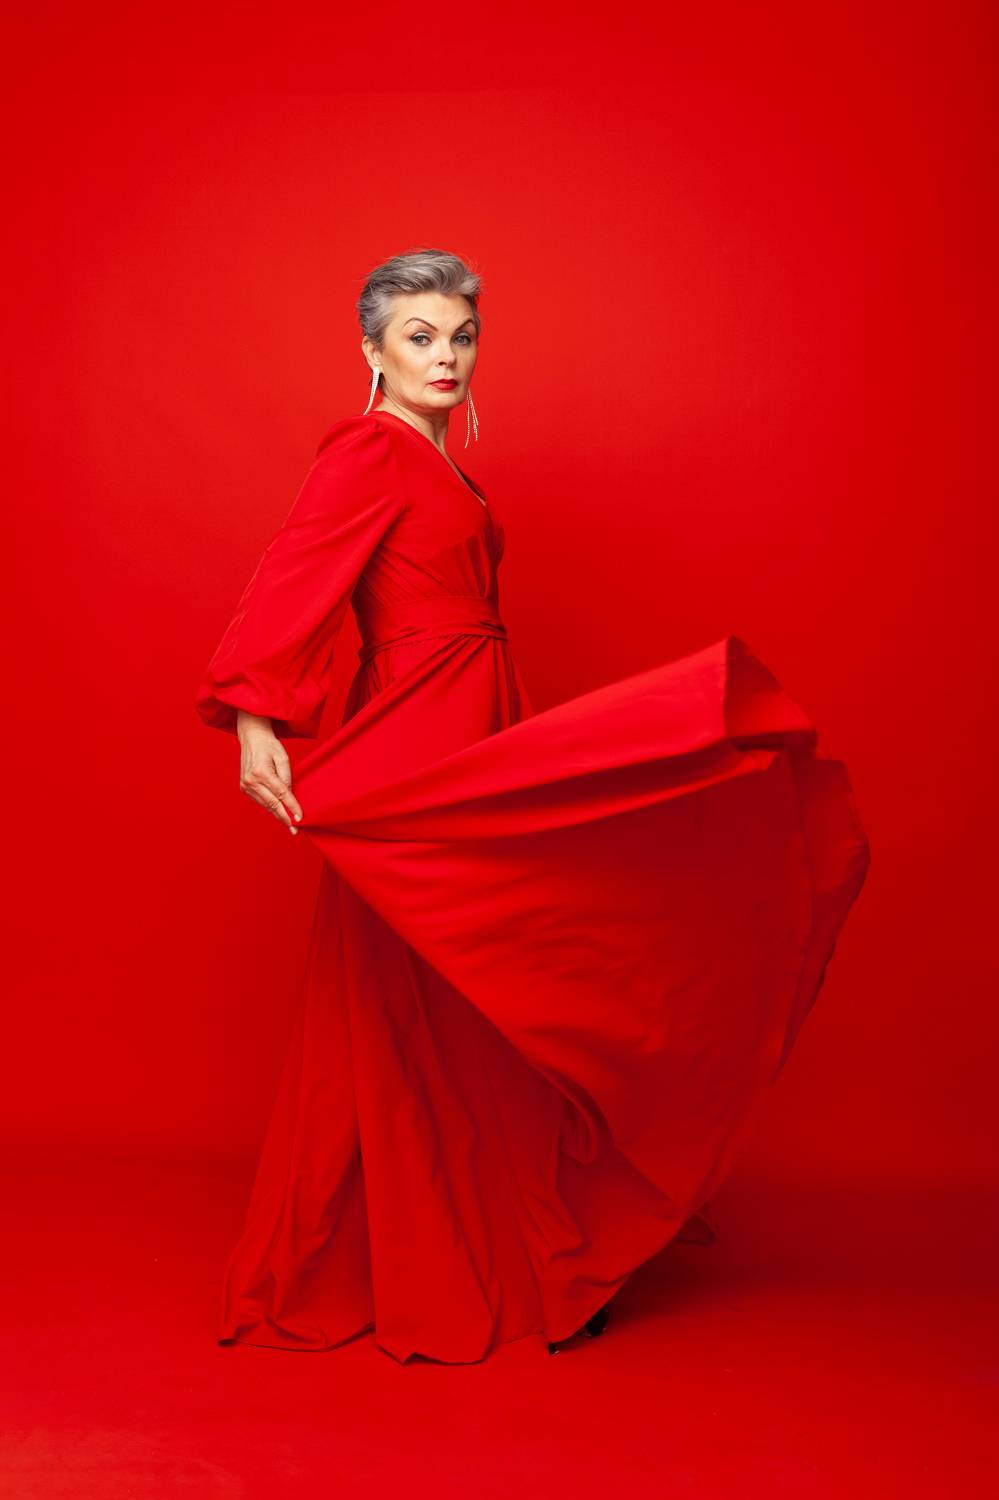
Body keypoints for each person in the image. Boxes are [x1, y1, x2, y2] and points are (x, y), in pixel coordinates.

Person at [195, 246, 871, 1365]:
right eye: (420, 337)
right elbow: (296, 570)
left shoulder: (443, 465)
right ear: (371, 349)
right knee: (432, 984)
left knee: (496, 983)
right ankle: (450, 1256)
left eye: (461, 337)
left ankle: (514, 1243)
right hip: (416, 728)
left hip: (481, 713)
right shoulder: (369, 448)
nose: (446, 356)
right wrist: (255, 717)